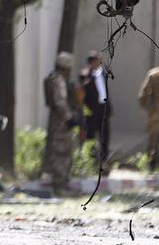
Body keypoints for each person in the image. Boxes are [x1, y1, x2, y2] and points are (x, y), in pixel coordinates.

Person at [43, 52, 79, 196]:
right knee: (61, 152)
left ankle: (62, 183)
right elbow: (60, 101)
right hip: (60, 121)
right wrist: (69, 117)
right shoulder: (59, 81)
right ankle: (60, 186)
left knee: (62, 151)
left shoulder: (53, 78)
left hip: (57, 119)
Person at [82, 51, 111, 169]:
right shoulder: (85, 75)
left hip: (103, 108)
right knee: (91, 135)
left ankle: (104, 161)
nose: (100, 62)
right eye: (98, 60)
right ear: (92, 62)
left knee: (104, 136)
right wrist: (89, 74)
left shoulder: (102, 74)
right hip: (91, 110)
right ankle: (91, 161)